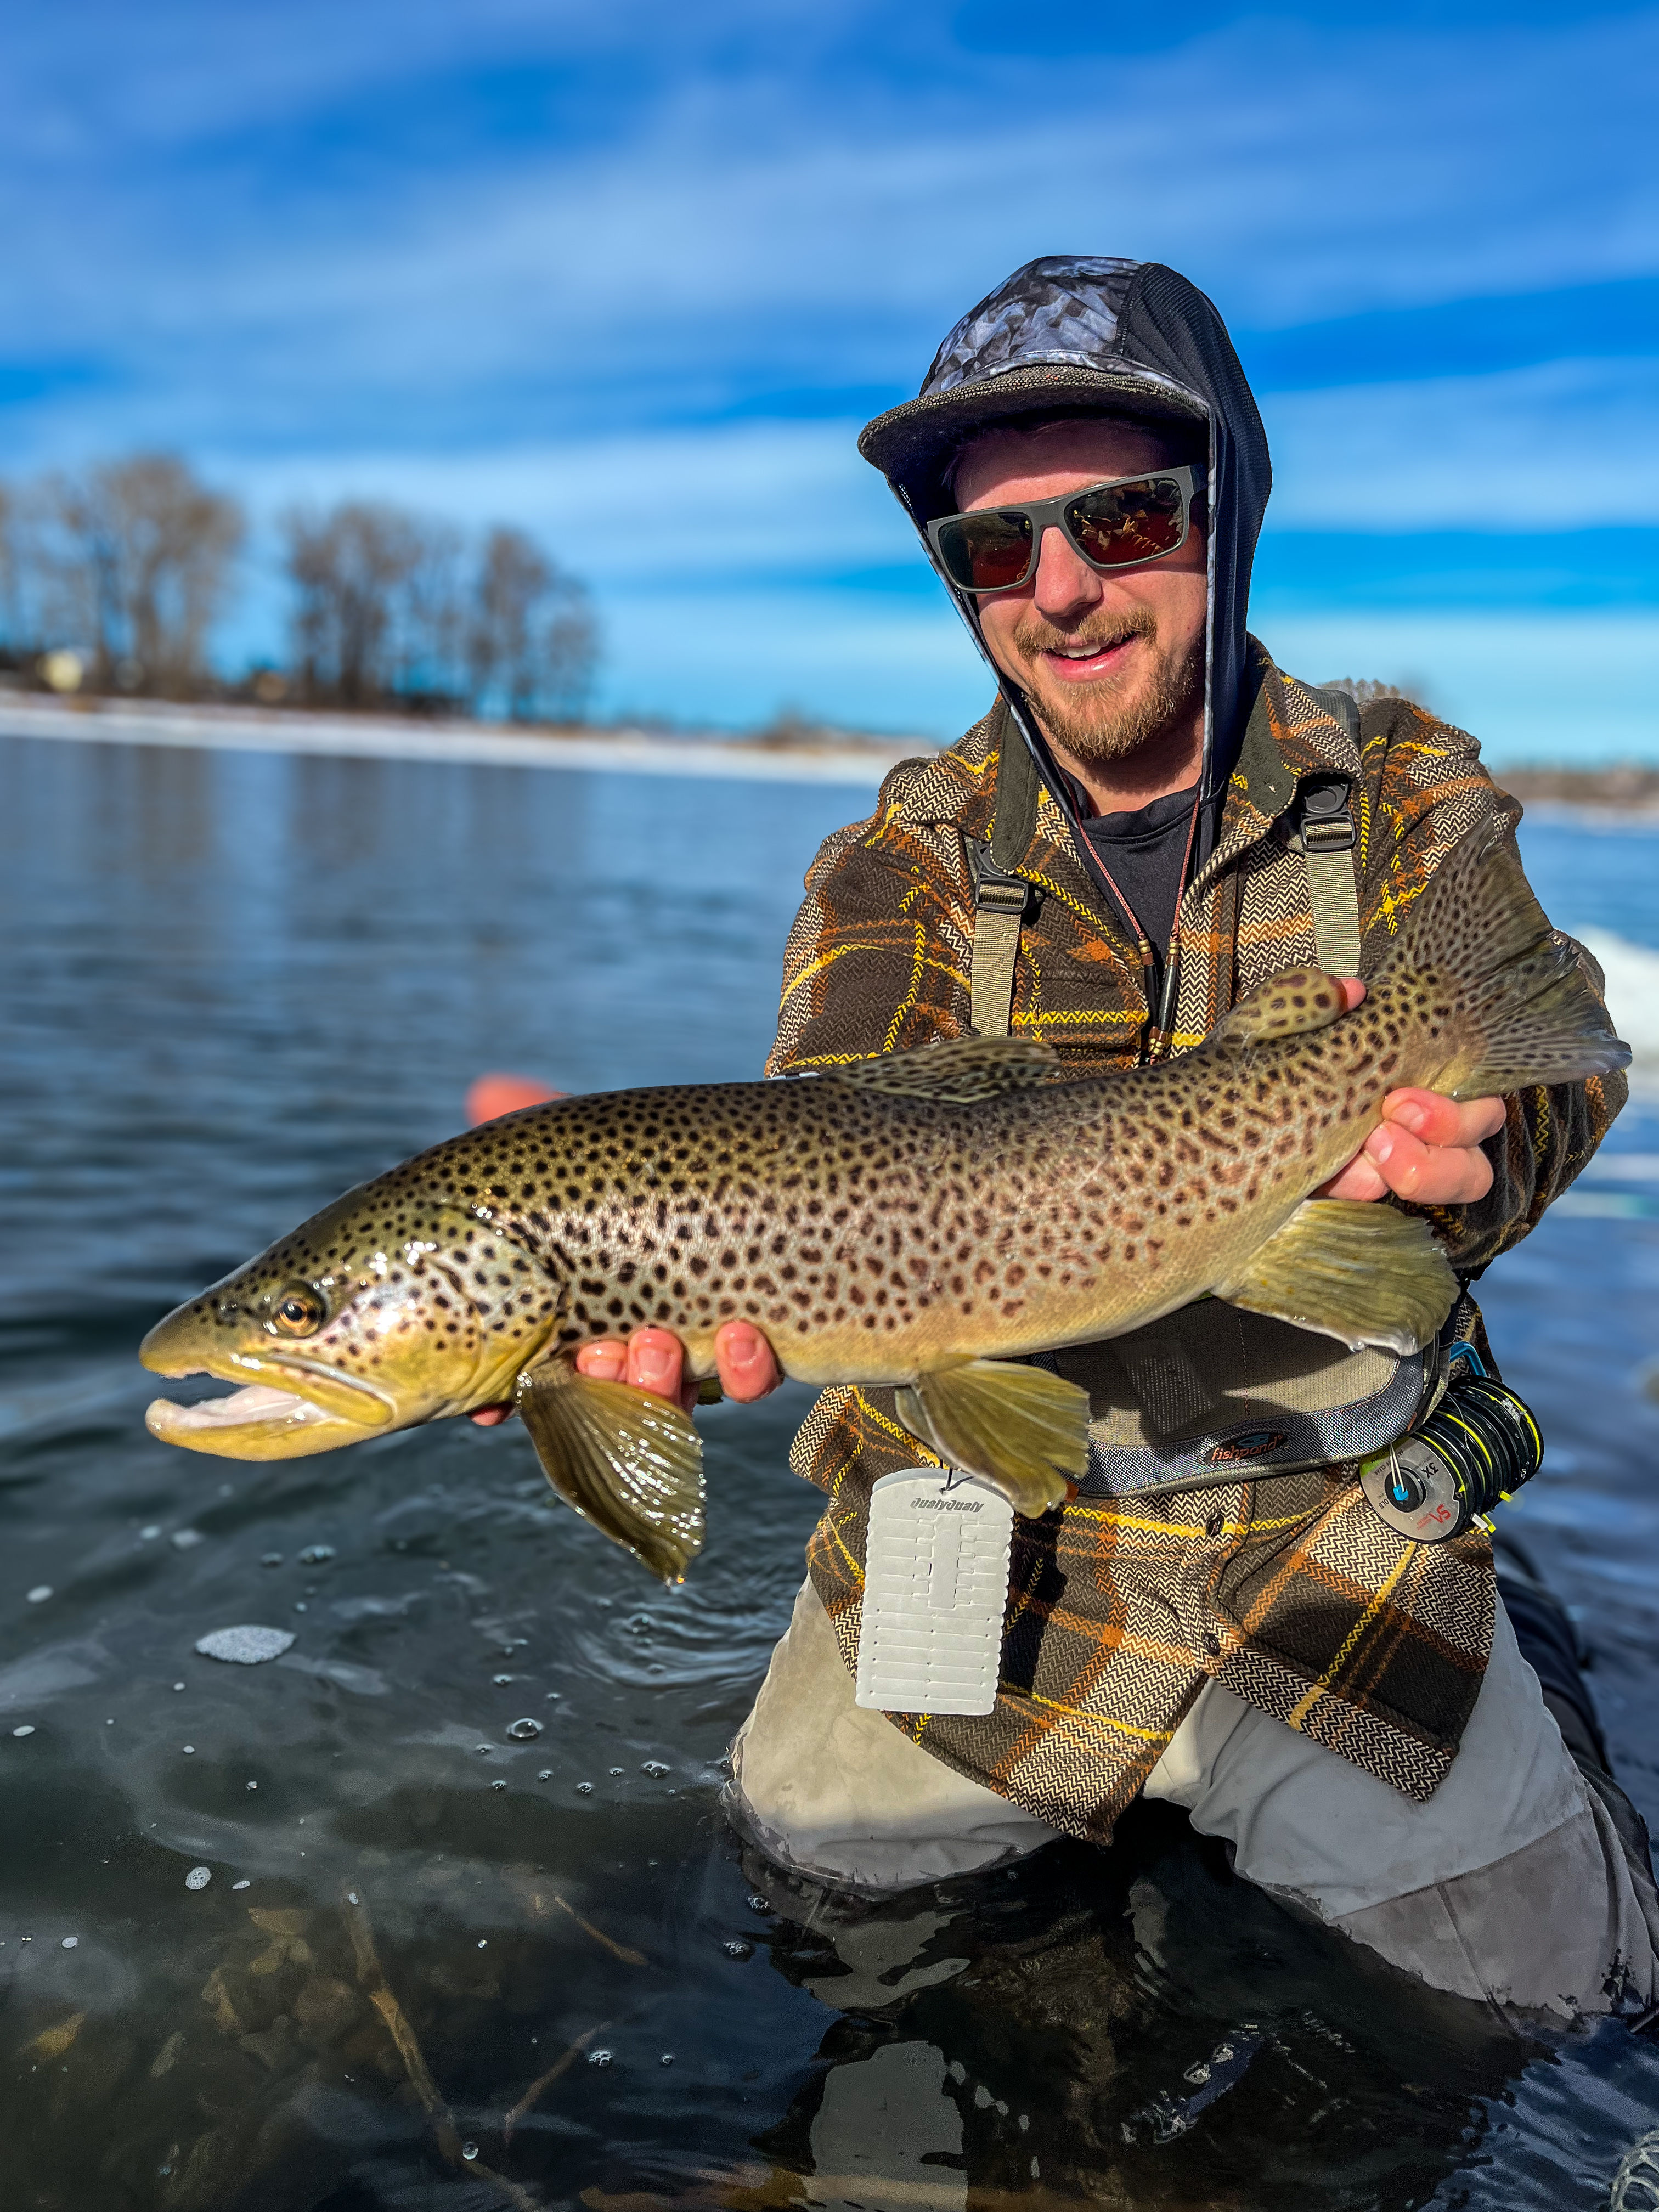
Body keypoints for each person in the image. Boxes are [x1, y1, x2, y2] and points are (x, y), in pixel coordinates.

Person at [490, 258, 1659, 2019]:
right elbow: (838, 1136)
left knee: (1543, 2005)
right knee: (814, 1920)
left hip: (1329, 1550)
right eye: (991, 547)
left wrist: (1491, 1156)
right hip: (982, 1543)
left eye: (1123, 516)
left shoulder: (1398, 788)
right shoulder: (900, 858)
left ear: (1226, 509)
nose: (1061, 589)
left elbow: (1555, 1024)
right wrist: (653, 1265)